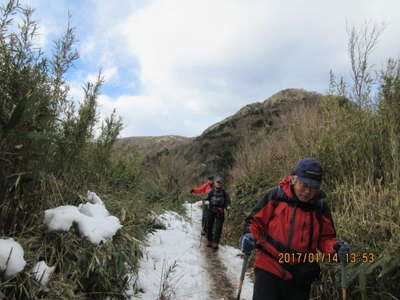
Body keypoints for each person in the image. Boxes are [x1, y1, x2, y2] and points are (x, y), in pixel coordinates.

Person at [240, 158, 350, 300]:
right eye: (304, 185)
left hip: (301, 272)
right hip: (269, 265)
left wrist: (335, 248)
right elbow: (254, 222)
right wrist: (249, 236)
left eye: (314, 187)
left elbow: (326, 239)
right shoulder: (275, 197)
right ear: (293, 179)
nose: (308, 191)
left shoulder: (320, 206)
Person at [203, 177, 231, 250]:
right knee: (209, 226)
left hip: (220, 211)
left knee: (218, 228)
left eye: (220, 183)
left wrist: (228, 207)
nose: (218, 184)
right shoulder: (211, 191)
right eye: (217, 182)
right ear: (215, 183)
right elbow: (206, 199)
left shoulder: (225, 193)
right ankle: (209, 241)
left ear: (222, 184)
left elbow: (228, 202)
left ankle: (215, 243)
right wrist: (207, 203)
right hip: (211, 210)